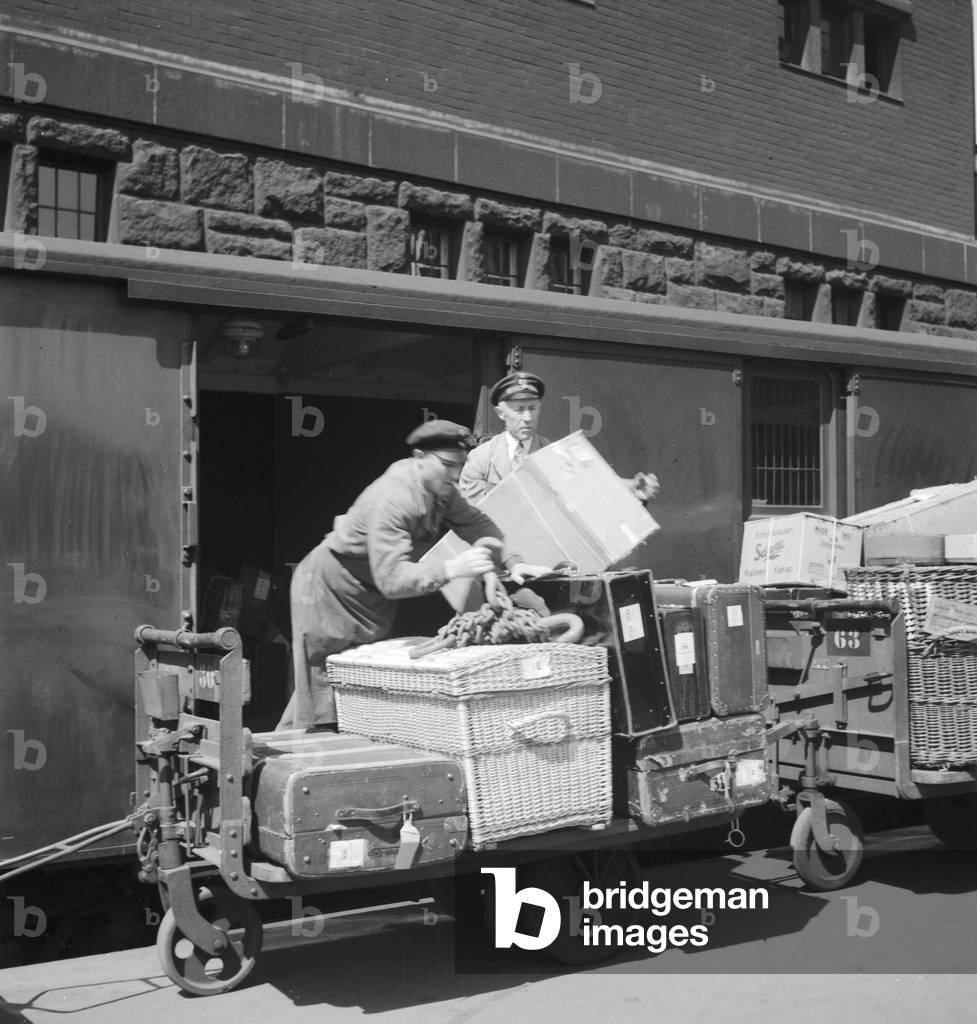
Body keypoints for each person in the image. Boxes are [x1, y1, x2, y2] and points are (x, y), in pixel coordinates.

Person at [276, 419, 532, 730]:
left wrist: (509, 562)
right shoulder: (395, 498)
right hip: (329, 591)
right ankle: (292, 767)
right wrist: (452, 569)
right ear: (420, 457)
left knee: (351, 688)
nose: (456, 474)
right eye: (448, 464)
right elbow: (393, 580)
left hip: (368, 597)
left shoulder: (440, 486)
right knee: (319, 697)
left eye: (461, 465)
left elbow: (478, 524)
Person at [459, 371, 660, 504]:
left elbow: (591, 485)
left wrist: (632, 490)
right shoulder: (481, 459)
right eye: (519, 410)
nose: (528, 417)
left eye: (533, 408)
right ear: (501, 413)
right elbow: (471, 520)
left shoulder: (553, 453)